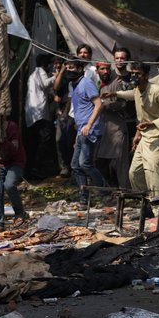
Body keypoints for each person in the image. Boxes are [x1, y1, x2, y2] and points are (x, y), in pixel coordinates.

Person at [103, 62, 159, 198]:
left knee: (153, 173)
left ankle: (158, 206)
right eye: (132, 73)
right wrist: (114, 93)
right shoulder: (137, 90)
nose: (134, 76)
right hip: (145, 138)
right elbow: (130, 94)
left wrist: (153, 123)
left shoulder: (156, 91)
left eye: (138, 74)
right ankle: (147, 203)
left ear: (145, 76)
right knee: (134, 173)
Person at [66, 57, 107, 207]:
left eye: (71, 68)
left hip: (91, 130)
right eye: (67, 68)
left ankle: (106, 193)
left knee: (85, 163)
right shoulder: (73, 85)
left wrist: (89, 124)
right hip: (81, 131)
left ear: (79, 69)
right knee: (76, 165)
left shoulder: (86, 83)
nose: (68, 71)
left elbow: (98, 104)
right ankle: (84, 198)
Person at [95, 62, 131, 189]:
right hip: (104, 130)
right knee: (101, 162)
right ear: (97, 70)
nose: (105, 71)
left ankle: (124, 190)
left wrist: (106, 104)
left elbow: (123, 104)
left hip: (117, 129)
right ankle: (111, 190)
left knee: (119, 163)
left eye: (107, 69)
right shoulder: (97, 85)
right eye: (102, 69)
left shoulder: (116, 84)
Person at [0, 117, 28, 232]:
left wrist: (3, 140)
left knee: (9, 185)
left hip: (15, 163)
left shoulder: (11, 126)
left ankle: (19, 213)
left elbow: (15, 149)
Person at [24, 54, 57, 179]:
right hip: (39, 113)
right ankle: (36, 167)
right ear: (46, 64)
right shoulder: (41, 72)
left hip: (32, 113)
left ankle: (32, 167)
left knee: (34, 140)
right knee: (44, 139)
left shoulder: (33, 75)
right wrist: (56, 77)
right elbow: (44, 84)